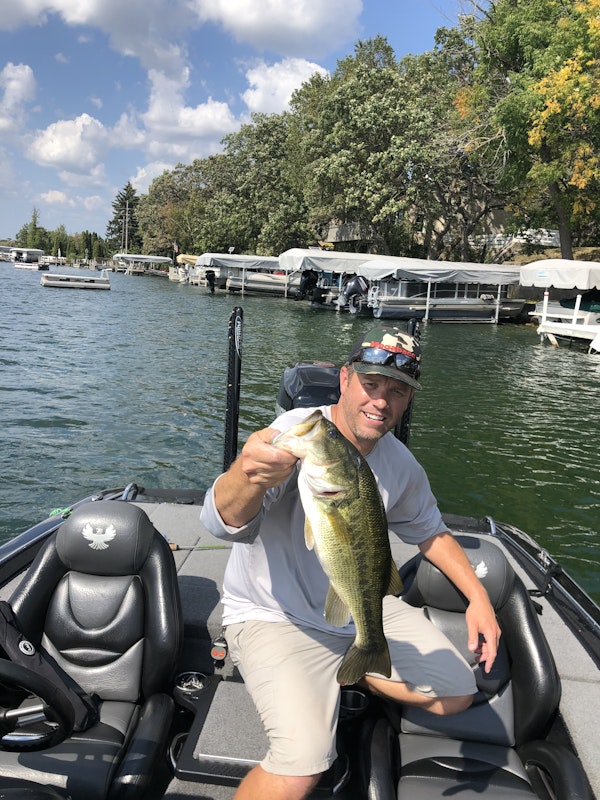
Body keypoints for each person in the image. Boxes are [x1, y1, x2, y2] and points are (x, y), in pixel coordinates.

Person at [200, 325, 501, 800]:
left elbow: (431, 532)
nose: (381, 401)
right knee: (302, 767)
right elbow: (223, 523)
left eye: (397, 391)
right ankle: (348, 664)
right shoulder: (298, 433)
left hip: (357, 598)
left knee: (458, 693)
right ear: (344, 379)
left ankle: (357, 664)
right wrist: (248, 473)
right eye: (371, 384)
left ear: (408, 400)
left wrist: (478, 598)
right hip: (273, 614)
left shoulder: (401, 464)